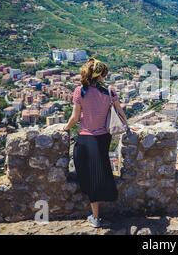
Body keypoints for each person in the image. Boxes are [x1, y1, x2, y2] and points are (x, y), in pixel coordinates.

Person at [63, 58, 128, 228]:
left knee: (90, 178)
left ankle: (96, 218)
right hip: (103, 138)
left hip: (85, 139)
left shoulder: (80, 91)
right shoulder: (109, 91)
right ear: (101, 75)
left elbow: (75, 118)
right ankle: (97, 215)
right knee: (99, 174)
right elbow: (120, 112)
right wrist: (129, 125)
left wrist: (65, 128)